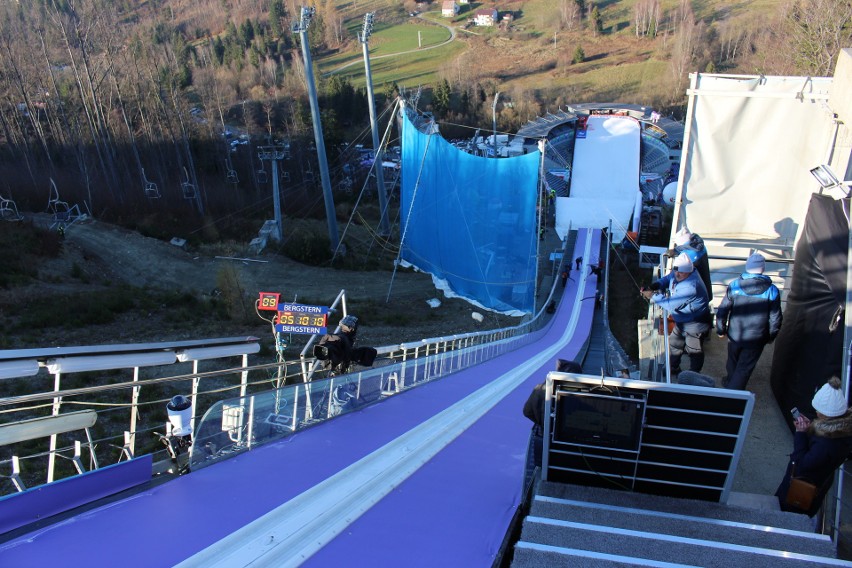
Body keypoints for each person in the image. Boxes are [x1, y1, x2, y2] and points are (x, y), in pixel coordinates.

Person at [775, 377, 852, 517]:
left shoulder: (826, 444)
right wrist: (811, 428)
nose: (816, 413)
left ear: (828, 414)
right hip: (817, 488)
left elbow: (802, 464)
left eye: (819, 411)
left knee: (785, 517)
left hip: (800, 490)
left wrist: (801, 433)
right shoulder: (842, 432)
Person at [715, 253, 782, 390]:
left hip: (735, 334)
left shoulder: (734, 285)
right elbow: (775, 318)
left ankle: (730, 382)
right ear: (762, 269)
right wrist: (771, 336)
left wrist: (721, 330)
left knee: (733, 360)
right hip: (757, 338)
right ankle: (734, 393)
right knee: (744, 367)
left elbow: (722, 310)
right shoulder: (772, 291)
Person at [641, 252, 711, 373]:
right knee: (674, 343)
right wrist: (655, 285)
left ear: (689, 272)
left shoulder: (691, 286)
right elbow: (668, 278)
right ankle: (674, 367)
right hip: (683, 319)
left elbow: (670, 304)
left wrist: (652, 295)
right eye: (676, 271)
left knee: (694, 350)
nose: (677, 274)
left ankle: (693, 375)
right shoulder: (681, 272)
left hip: (695, 323)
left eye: (681, 272)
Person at [666, 227, 712, 299]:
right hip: (707, 291)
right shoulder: (700, 246)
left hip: (696, 296)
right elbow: (687, 247)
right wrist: (676, 250)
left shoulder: (685, 256)